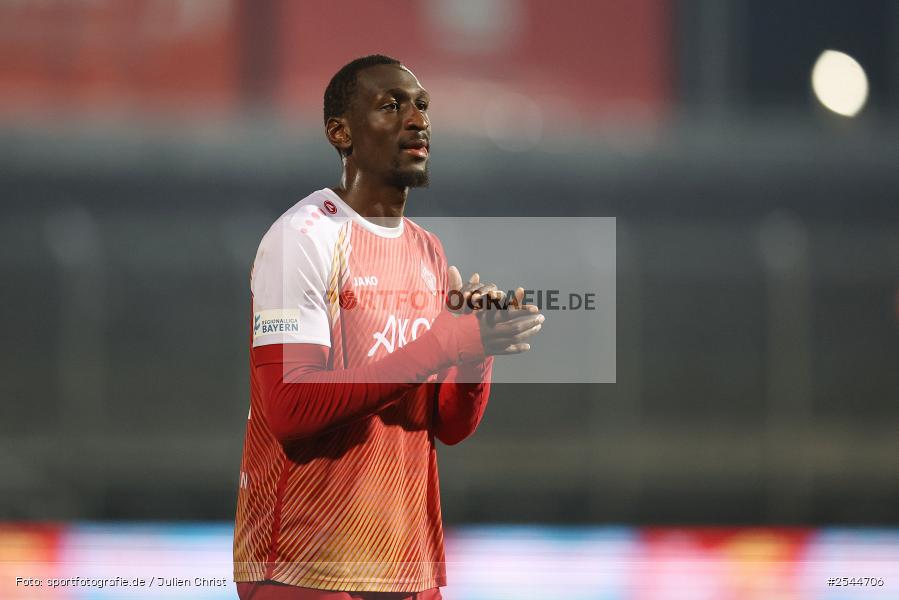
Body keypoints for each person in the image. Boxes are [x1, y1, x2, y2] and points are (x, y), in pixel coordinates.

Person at [233, 55, 544, 600]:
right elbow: (289, 409)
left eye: (422, 106)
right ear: (340, 131)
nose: (416, 119)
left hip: (405, 566)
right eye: (391, 105)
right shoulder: (302, 239)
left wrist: (474, 352)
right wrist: (446, 342)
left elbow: (444, 425)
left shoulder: (426, 250)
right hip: (305, 568)